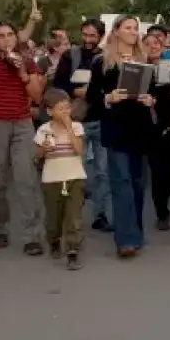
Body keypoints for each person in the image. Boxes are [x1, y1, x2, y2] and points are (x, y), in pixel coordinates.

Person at [0, 0, 47, 254]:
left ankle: (32, 236)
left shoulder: (27, 61)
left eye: (10, 35)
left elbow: (37, 96)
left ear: (17, 38)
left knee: (26, 178)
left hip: (21, 123)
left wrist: (23, 74)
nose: (6, 39)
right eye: (0, 36)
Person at [86, 14, 157, 258]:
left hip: (140, 127)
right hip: (116, 128)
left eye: (136, 28)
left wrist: (151, 99)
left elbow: (155, 91)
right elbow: (92, 96)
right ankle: (125, 240)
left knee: (137, 183)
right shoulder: (101, 62)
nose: (133, 32)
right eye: (128, 27)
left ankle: (135, 232)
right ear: (116, 31)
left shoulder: (145, 60)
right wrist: (108, 98)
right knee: (122, 183)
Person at [53, 18, 111, 232]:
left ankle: (100, 215)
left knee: (103, 172)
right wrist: (75, 91)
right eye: (85, 35)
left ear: (101, 37)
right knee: (77, 170)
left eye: (92, 36)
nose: (88, 40)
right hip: (77, 122)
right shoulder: (71, 56)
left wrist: (94, 93)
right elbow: (58, 85)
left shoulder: (106, 58)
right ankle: (73, 214)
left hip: (101, 119)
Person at [34, 88, 86, 270]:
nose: (66, 112)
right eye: (61, 109)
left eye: (67, 108)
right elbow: (36, 155)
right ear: (49, 111)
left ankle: (73, 250)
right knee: (54, 217)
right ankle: (54, 239)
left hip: (74, 177)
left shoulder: (77, 127)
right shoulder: (44, 129)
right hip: (52, 179)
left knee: (73, 216)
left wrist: (69, 127)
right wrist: (43, 150)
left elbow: (79, 150)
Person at [144, 31, 170, 232]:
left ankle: (164, 195)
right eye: (149, 43)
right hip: (150, 130)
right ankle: (162, 212)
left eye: (157, 43)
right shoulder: (138, 69)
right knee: (158, 172)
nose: (153, 46)